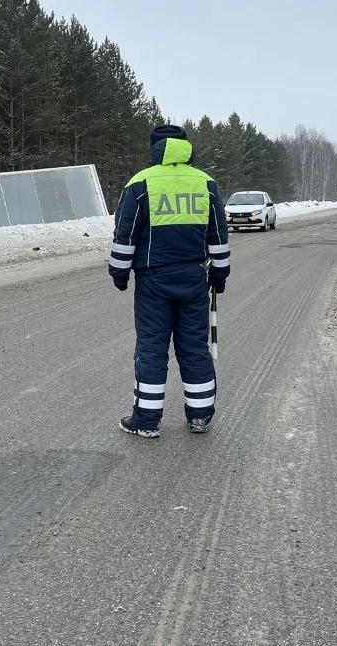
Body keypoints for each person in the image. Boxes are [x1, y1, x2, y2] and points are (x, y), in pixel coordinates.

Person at [108, 124, 230, 438]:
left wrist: (119, 274)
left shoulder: (140, 183)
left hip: (153, 282)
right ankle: (200, 416)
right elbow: (218, 236)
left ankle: (147, 421)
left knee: (151, 348)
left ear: (155, 149)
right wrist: (219, 273)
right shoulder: (206, 184)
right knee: (193, 348)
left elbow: (125, 237)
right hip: (193, 280)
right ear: (185, 148)